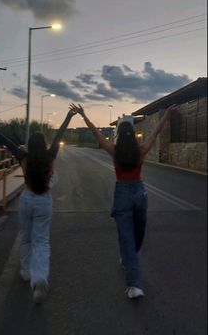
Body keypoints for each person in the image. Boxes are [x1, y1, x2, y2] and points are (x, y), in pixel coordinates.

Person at [69, 103, 175, 300]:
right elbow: (156, 132)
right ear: (133, 135)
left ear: (119, 134)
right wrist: (167, 114)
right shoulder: (141, 150)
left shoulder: (114, 151)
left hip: (122, 194)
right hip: (139, 192)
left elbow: (96, 134)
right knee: (138, 231)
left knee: (127, 236)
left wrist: (83, 115)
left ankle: (132, 275)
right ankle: (133, 277)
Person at [0, 107, 77, 303]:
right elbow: (59, 135)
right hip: (44, 201)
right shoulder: (51, 156)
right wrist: (69, 116)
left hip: (27, 199)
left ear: (30, 145)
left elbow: (3, 139)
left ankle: (25, 271)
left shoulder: (23, 157)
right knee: (41, 240)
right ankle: (39, 279)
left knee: (26, 237)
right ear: (44, 144)